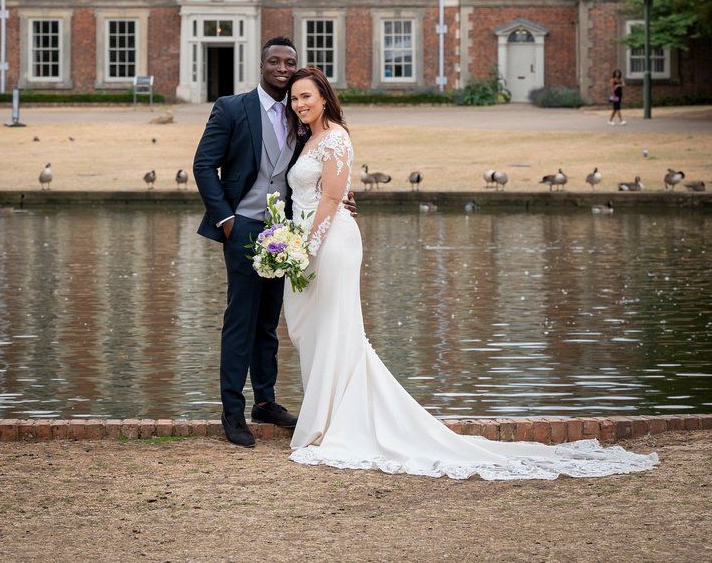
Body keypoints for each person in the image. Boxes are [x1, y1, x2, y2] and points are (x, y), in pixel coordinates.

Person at [282, 66, 658, 480]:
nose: (300, 104)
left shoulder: (335, 136)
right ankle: (327, 415)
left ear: (324, 97)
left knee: (337, 329)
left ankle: (331, 423)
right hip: (307, 241)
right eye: (295, 98)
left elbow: (334, 197)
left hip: (330, 243)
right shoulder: (308, 137)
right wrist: (294, 244)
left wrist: (307, 248)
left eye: (307, 97)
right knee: (315, 329)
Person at [192, 37, 356, 448]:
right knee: (240, 318)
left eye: (290, 62)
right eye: (275, 61)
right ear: (262, 65)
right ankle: (232, 407)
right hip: (243, 226)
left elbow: (319, 170)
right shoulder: (232, 108)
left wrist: (341, 196)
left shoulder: (300, 116)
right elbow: (203, 164)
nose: (283, 68)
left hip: (285, 231)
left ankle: (265, 401)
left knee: (269, 321)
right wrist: (227, 220)